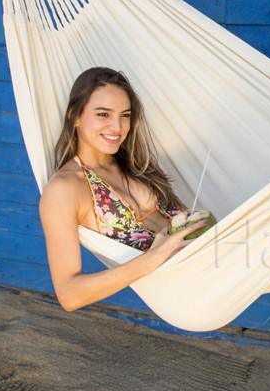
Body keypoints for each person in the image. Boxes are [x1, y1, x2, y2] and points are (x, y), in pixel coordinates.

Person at [38, 67, 208, 312]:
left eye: (125, 115)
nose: (117, 127)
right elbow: (69, 295)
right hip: (183, 294)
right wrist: (150, 260)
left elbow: (184, 221)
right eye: (103, 114)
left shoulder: (136, 165)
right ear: (75, 116)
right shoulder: (65, 189)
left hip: (210, 266)